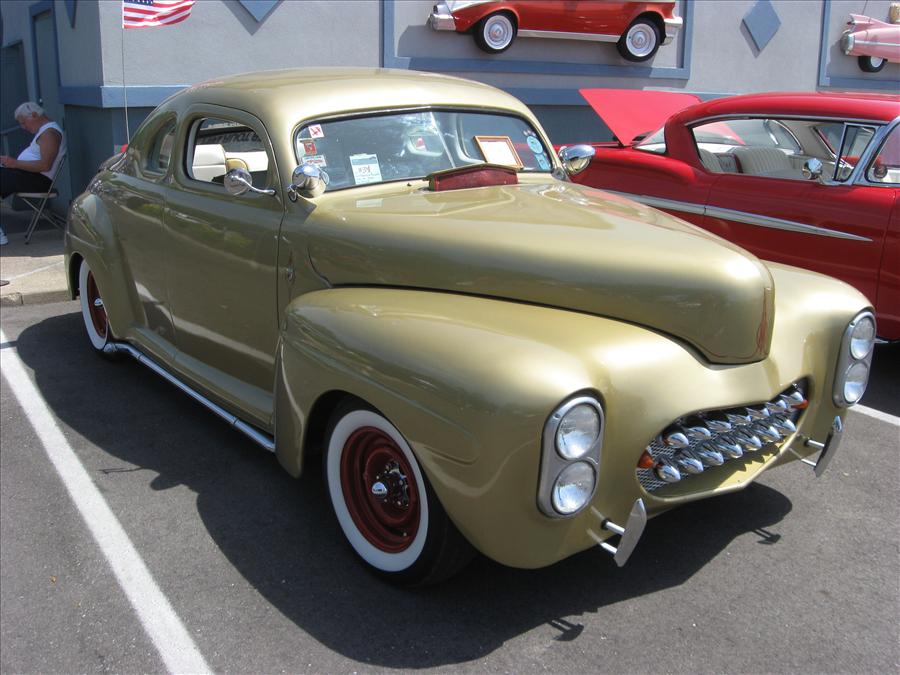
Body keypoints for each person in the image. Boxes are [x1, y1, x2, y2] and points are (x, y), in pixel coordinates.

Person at [0, 102, 67, 245]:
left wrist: (14, 163)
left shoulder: (50, 133)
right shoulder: (45, 131)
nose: (23, 127)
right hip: (28, 176)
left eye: (24, 122)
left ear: (35, 115)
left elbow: (45, 165)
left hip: (37, 180)